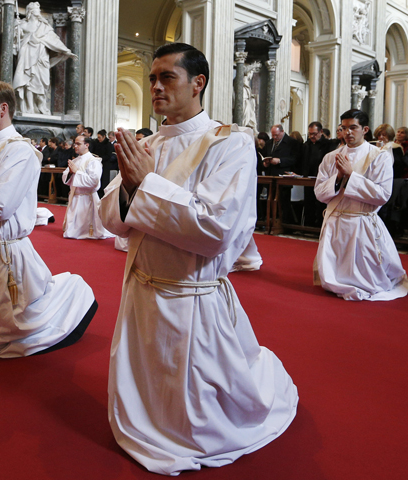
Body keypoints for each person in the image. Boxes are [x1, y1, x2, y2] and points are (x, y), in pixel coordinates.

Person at [98, 43, 297, 475]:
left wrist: (145, 182)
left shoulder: (230, 143)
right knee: (147, 385)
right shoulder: (146, 143)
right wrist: (132, 187)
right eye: (152, 78)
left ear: (198, 82)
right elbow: (110, 220)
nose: (154, 86)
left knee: (194, 413)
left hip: (191, 294)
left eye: (167, 77)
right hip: (142, 288)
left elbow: (215, 230)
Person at [0, 80, 97, 358]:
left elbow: (0, 206)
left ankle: (74, 302)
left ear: (3, 109)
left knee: (12, 327)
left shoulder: (20, 150)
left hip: (1, 251)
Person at [314, 109, 408, 301]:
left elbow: (382, 194)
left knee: (366, 276)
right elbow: (319, 192)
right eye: (344, 128)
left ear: (365, 129)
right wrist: (338, 177)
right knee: (335, 271)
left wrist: (351, 175)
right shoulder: (331, 157)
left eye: (353, 128)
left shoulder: (379, 156)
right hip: (336, 221)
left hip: (361, 221)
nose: (347, 133)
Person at [12, 2, 76, 115]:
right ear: (31, 11)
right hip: (27, 56)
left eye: (39, 8)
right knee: (28, 82)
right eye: (37, 9)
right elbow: (14, 42)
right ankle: (29, 108)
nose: (39, 10)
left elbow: (55, 41)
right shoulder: (23, 25)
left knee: (42, 83)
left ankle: (41, 106)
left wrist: (66, 51)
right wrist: (15, 28)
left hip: (42, 58)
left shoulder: (45, 27)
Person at [62, 136, 113, 239]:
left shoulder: (93, 161)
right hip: (75, 196)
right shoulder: (75, 160)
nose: (75, 146)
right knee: (71, 230)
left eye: (78, 144)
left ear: (87, 145)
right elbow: (65, 177)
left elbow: (94, 181)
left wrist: (77, 172)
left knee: (78, 231)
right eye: (74, 144)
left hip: (87, 198)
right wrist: (71, 173)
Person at [298, 121, 337, 227]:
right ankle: (308, 226)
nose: (312, 136)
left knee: (320, 204)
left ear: (321, 132)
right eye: (310, 134)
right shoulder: (307, 145)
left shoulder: (328, 145)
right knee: (308, 203)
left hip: (322, 178)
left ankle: (320, 226)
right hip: (308, 178)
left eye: (314, 134)